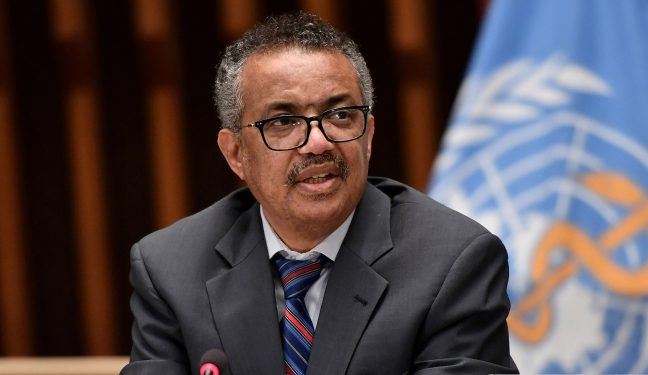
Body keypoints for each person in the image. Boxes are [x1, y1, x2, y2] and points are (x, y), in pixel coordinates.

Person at [122, 12, 517, 375]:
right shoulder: (170, 269)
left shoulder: (452, 262)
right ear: (236, 153)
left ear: (370, 137)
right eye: (284, 121)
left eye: (341, 115)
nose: (317, 142)